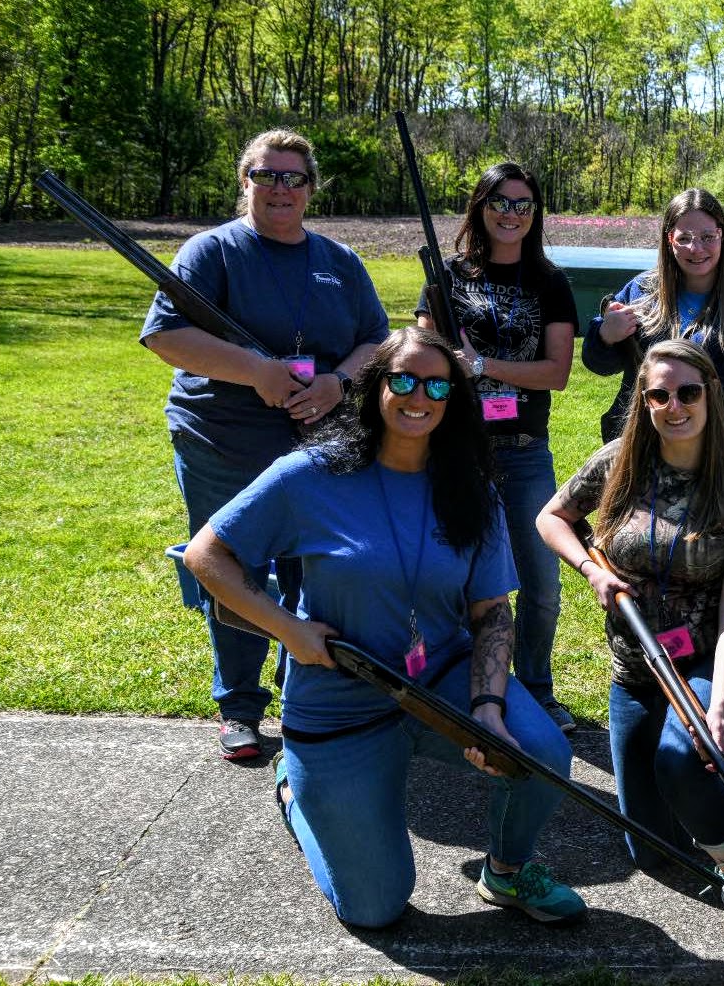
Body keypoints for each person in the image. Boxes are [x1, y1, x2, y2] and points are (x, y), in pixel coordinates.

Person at [181, 328, 585, 929]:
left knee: (542, 754)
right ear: (374, 389)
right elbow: (205, 555)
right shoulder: (309, 474)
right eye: (403, 380)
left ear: (453, 399)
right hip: (340, 695)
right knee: (375, 907)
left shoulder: (472, 488)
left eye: (437, 386)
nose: (419, 397)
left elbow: (491, 612)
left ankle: (506, 871)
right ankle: (294, 792)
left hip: (440, 679)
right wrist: (289, 630)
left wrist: (487, 708)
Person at [141, 128, 388, 761]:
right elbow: (166, 335)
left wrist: (337, 382)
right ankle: (240, 705)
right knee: (233, 564)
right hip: (221, 438)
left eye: (294, 177)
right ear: (245, 181)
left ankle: (303, 690)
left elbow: (375, 341)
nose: (281, 188)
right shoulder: (212, 252)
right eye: (267, 175)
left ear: (311, 188)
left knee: (317, 565)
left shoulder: (339, 262)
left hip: (318, 441)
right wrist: (257, 371)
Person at [536, 339, 724, 947]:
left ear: (710, 394)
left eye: (688, 392)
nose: (675, 406)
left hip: (706, 661)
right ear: (643, 402)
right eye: (659, 395)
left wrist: (716, 707)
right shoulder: (618, 462)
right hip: (636, 668)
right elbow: (551, 517)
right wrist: (591, 570)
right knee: (652, 850)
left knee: (680, 754)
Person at [416, 162, 579, 735]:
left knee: (541, 583)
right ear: (480, 207)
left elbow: (556, 372)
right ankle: (462, 686)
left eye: (523, 204)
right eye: (500, 202)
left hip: (525, 449)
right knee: (455, 578)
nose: (511, 214)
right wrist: (448, 361)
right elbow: (423, 356)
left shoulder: (550, 282)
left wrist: (482, 365)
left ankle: (535, 689)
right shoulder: (447, 276)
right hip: (456, 448)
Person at [584, 188, 724, 466]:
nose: (696, 248)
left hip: (720, 462)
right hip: (642, 455)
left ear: (722, 236)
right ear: (669, 240)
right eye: (684, 238)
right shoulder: (640, 293)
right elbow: (599, 364)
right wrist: (605, 336)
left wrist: (692, 437)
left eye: (707, 237)